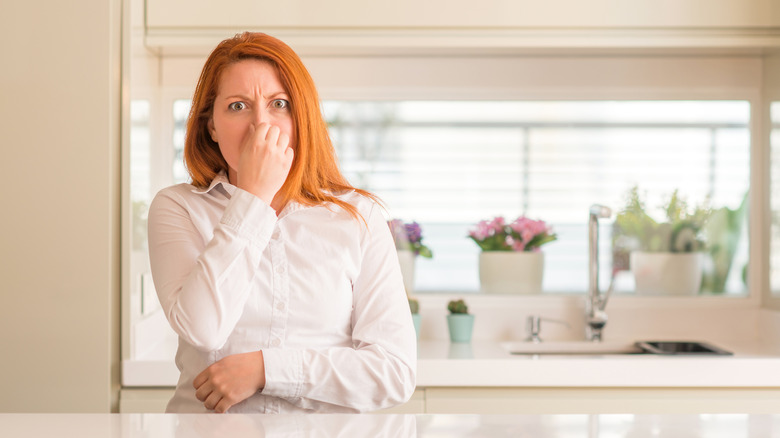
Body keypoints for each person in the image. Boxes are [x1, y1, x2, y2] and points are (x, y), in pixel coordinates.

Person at [147, 32, 417, 414]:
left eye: (279, 104)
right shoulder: (178, 208)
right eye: (238, 106)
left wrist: (266, 369)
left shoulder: (359, 217)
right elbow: (203, 330)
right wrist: (253, 198)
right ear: (211, 126)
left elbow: (393, 372)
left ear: (301, 117)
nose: (261, 125)